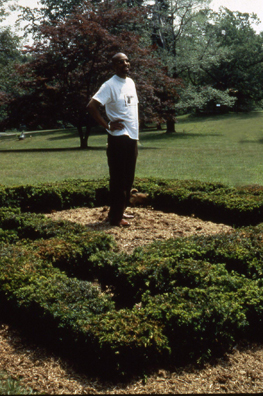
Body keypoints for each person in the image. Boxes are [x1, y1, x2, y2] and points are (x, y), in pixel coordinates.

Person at [87, 53, 139, 226]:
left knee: (128, 179)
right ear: (114, 66)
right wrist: (107, 126)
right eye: (120, 62)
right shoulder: (109, 85)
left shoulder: (130, 82)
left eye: (126, 60)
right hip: (119, 138)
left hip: (132, 136)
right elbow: (92, 106)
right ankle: (116, 219)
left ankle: (120, 211)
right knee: (118, 179)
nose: (125, 63)